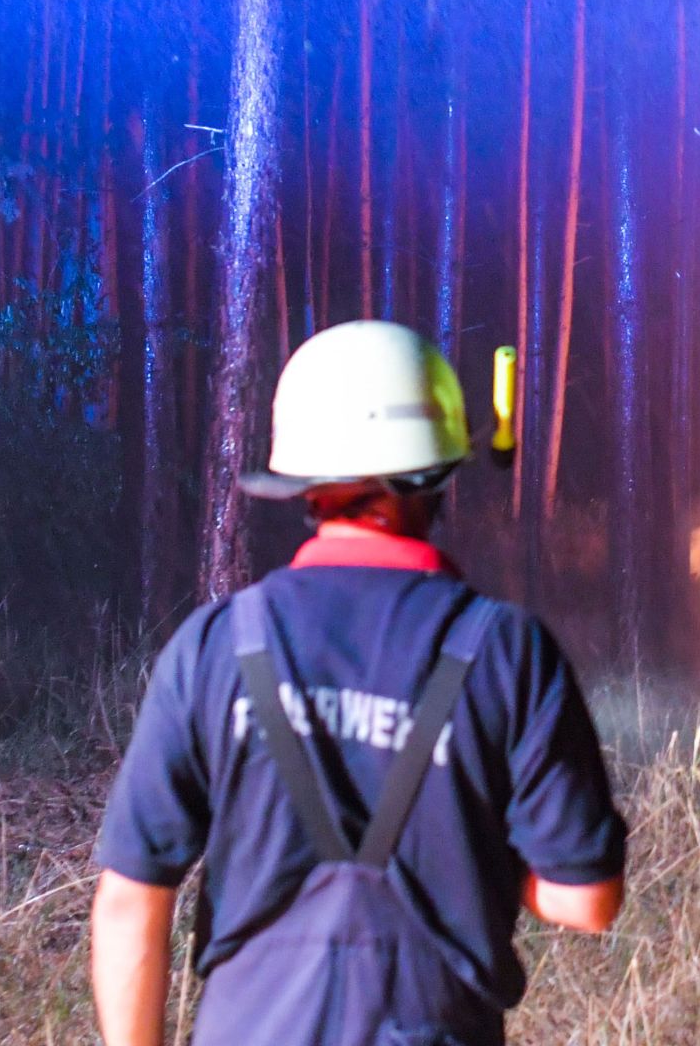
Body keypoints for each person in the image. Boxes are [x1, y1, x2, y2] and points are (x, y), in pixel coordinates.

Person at [90, 320, 627, 1046]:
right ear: (439, 474)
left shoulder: (217, 646)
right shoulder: (507, 653)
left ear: (303, 485)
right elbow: (585, 900)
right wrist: (473, 857)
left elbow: (129, 900)